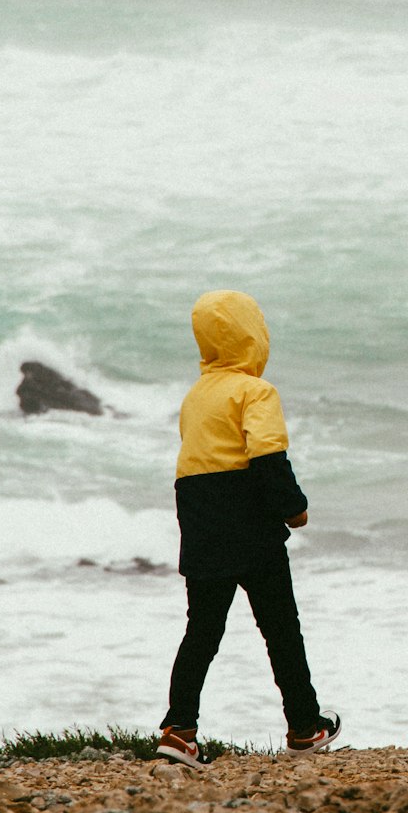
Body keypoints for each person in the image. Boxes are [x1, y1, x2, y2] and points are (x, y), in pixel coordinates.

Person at [157, 289, 340, 767]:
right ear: (253, 337)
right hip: (251, 525)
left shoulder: (194, 398)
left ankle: (178, 730)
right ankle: (304, 727)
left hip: (200, 520)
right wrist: (293, 509)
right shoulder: (255, 391)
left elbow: (192, 467)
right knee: (281, 629)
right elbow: (267, 456)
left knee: (202, 629)